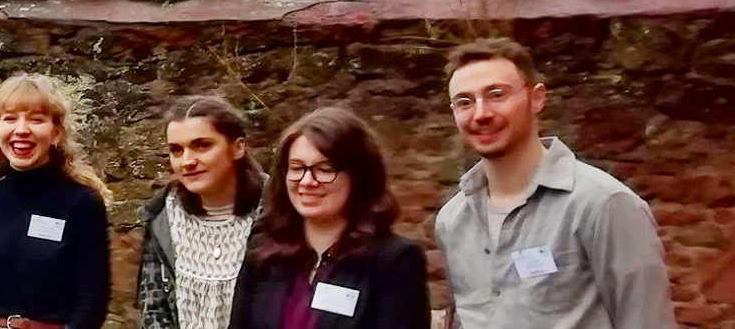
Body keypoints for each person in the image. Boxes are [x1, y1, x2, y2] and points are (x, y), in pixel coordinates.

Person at [434, 38, 676, 329]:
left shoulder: (603, 204)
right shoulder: (452, 220)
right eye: (465, 102)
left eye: (497, 95)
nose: (481, 113)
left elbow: (647, 322)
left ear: (536, 98)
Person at [228, 107, 429, 329]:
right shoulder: (263, 253)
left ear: (359, 176)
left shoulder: (394, 260)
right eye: (296, 168)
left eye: (325, 169)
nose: (307, 181)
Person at [0, 73, 111, 329]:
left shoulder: (83, 203)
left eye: (36, 119)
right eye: (10, 119)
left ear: (56, 132)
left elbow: (92, 300)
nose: (21, 130)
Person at [136, 95, 266, 329]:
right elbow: (154, 310)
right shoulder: (162, 217)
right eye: (176, 150)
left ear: (237, 148)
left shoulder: (278, 214)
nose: (187, 161)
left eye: (202, 145)